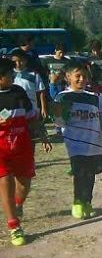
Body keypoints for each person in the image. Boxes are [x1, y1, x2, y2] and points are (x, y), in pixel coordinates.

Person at [0, 58, 51, 246]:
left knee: (24, 184)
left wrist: (43, 136)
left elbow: (32, 117)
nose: (13, 75)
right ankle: (14, 227)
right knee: (5, 183)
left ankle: (18, 204)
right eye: (9, 74)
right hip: (1, 152)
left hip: (22, 147)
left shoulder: (18, 92)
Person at [52, 61, 102, 219]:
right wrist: (57, 115)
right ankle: (78, 202)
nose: (81, 79)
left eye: (84, 76)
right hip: (75, 145)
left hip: (94, 143)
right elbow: (58, 121)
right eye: (77, 76)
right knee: (80, 173)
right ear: (68, 77)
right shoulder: (63, 97)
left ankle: (88, 202)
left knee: (91, 174)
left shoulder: (94, 97)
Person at [10, 49, 48, 119]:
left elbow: (41, 91)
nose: (18, 63)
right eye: (15, 61)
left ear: (25, 60)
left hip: (31, 108)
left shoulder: (33, 74)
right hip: (14, 109)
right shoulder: (8, 75)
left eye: (20, 61)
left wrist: (43, 108)